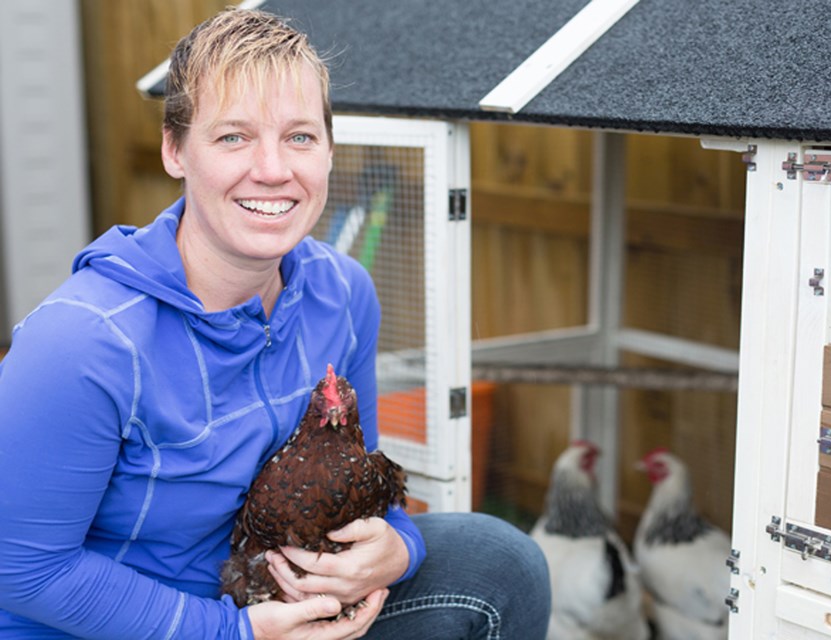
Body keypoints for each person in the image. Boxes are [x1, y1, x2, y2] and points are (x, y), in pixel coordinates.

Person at [0, 8, 549, 639]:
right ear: (175, 149)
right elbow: (23, 568)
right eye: (233, 137)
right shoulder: (82, 342)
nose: (273, 169)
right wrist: (231, 633)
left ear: (328, 150)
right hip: (126, 625)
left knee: (500, 564)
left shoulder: (342, 293)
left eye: (300, 137)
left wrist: (395, 548)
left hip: (268, 597)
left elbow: (358, 474)